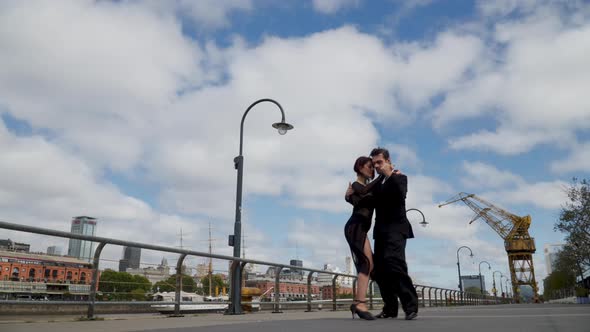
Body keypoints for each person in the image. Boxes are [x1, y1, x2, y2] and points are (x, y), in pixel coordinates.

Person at [346, 147, 419, 320]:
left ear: (387, 160)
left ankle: (410, 306)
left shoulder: (400, 177)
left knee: (395, 264)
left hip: (396, 229)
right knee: (380, 271)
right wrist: (348, 196)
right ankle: (390, 308)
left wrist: (391, 175)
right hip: (380, 232)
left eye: (379, 162)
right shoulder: (378, 185)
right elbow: (363, 201)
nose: (377, 166)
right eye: (374, 163)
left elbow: (401, 195)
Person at [344, 156, 382, 320]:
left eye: (373, 167)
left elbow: (355, 199)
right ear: (360, 167)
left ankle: (357, 303)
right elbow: (362, 192)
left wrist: (348, 197)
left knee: (370, 264)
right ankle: (360, 303)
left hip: (362, 229)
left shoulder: (361, 188)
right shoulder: (357, 185)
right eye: (369, 166)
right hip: (355, 227)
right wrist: (382, 175)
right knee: (365, 263)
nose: (372, 170)